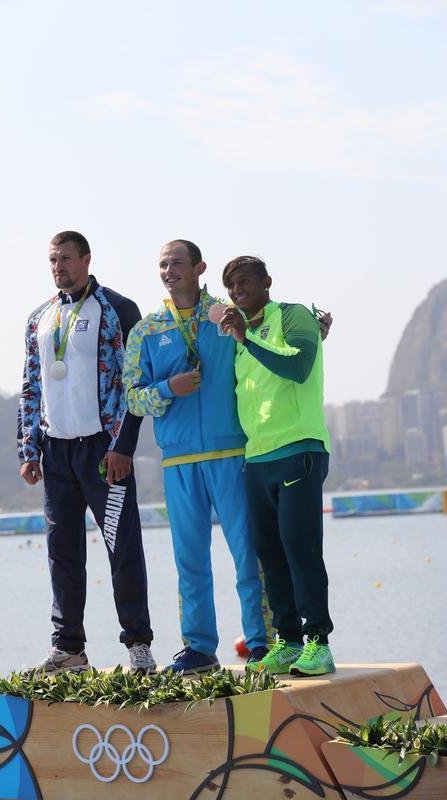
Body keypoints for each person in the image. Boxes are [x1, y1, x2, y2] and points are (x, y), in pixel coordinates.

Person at [123, 240, 270, 673]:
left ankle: (262, 643)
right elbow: (133, 399)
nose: (169, 271)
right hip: (179, 461)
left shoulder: (228, 317)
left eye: (177, 263)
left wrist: (315, 327)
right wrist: (171, 388)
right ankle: (200, 647)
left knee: (248, 552)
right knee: (190, 559)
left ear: (199, 267)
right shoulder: (147, 330)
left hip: (232, 452)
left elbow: (268, 349)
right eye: (162, 265)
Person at [18, 230, 155, 675]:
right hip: (56, 451)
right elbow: (30, 386)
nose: (58, 267)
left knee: (123, 546)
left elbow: (134, 382)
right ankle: (68, 649)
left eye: (65, 258)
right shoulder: (39, 317)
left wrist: (124, 445)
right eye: (52, 260)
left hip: (104, 451)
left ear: (87, 259)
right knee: (62, 551)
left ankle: (138, 644)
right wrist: (29, 448)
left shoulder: (118, 309)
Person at [220, 255, 335, 676]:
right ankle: (286, 641)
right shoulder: (237, 335)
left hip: (299, 448)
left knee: (300, 548)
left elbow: (300, 367)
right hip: (257, 457)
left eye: (244, 281)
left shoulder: (293, 316)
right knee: (269, 553)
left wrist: (248, 339)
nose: (236, 290)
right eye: (230, 285)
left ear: (267, 281)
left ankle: (319, 642)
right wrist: (242, 337)